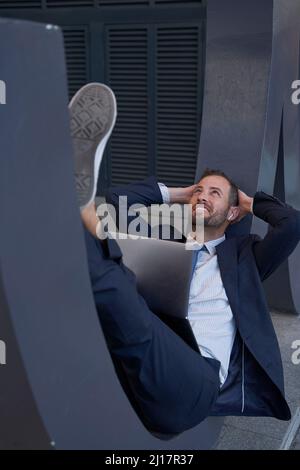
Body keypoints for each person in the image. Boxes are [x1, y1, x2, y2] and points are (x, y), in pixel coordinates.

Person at [69, 83, 300, 436]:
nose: (203, 196)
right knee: (98, 252)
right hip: (140, 360)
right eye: (199, 190)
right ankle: (76, 209)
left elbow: (291, 225)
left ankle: (76, 206)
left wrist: (248, 202)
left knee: (112, 279)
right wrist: (179, 194)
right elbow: (117, 199)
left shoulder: (245, 258)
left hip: (196, 381)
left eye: (214, 193)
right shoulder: (164, 244)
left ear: (234, 212)